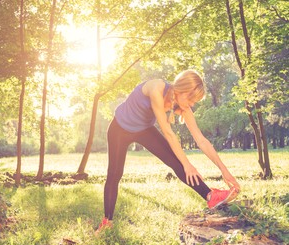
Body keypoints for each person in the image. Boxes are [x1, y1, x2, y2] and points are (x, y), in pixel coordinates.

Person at [96, 69, 240, 233]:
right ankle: (107, 222)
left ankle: (210, 196)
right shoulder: (156, 88)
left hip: (143, 129)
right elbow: (168, 132)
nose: (192, 104)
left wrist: (224, 171)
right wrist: (188, 164)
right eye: (191, 99)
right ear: (181, 90)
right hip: (120, 128)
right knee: (115, 174)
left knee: (176, 161)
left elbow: (201, 140)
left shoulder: (183, 106)